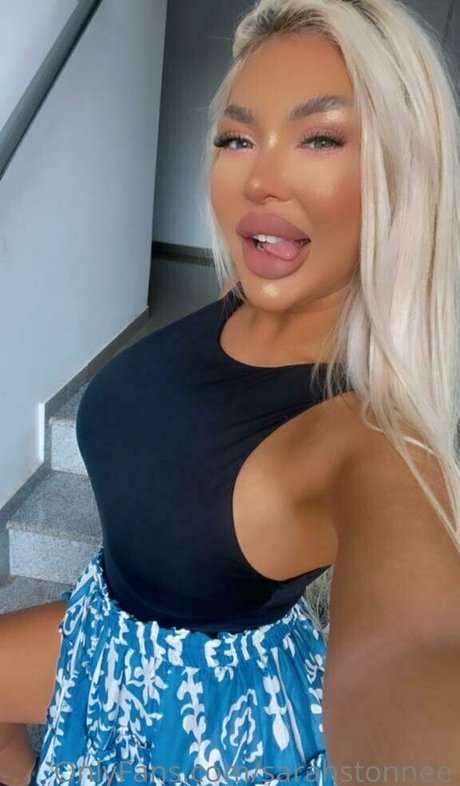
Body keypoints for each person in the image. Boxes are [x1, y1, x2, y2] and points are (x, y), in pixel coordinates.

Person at [1, 0, 460, 784]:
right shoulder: (250, 294)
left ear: (402, 173)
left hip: (208, 724)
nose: (260, 179)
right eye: (237, 139)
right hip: (103, 631)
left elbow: (416, 654)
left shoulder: (371, 439)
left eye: (320, 137)